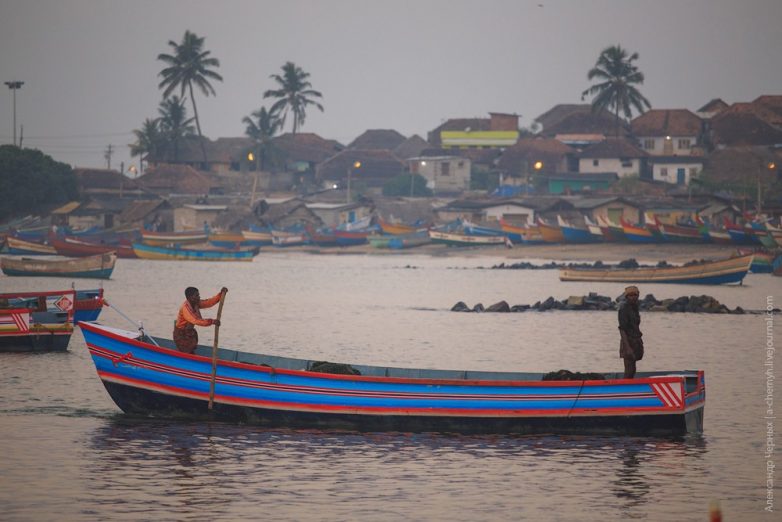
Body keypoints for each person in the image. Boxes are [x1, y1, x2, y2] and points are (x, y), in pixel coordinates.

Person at [173, 286, 227, 354]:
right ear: (190, 298)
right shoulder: (185, 308)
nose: (199, 297)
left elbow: (209, 302)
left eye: (198, 295)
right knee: (186, 351)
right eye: (196, 295)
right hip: (181, 334)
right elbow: (196, 320)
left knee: (190, 350)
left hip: (189, 332)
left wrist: (220, 294)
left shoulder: (196, 303)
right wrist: (212, 321)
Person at [618, 285, 643, 379]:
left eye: (634, 295)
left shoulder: (635, 308)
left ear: (638, 296)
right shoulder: (624, 309)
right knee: (629, 369)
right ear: (627, 297)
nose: (633, 297)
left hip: (636, 340)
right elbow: (622, 329)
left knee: (633, 369)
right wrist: (627, 347)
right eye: (630, 295)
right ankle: (625, 388)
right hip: (628, 341)